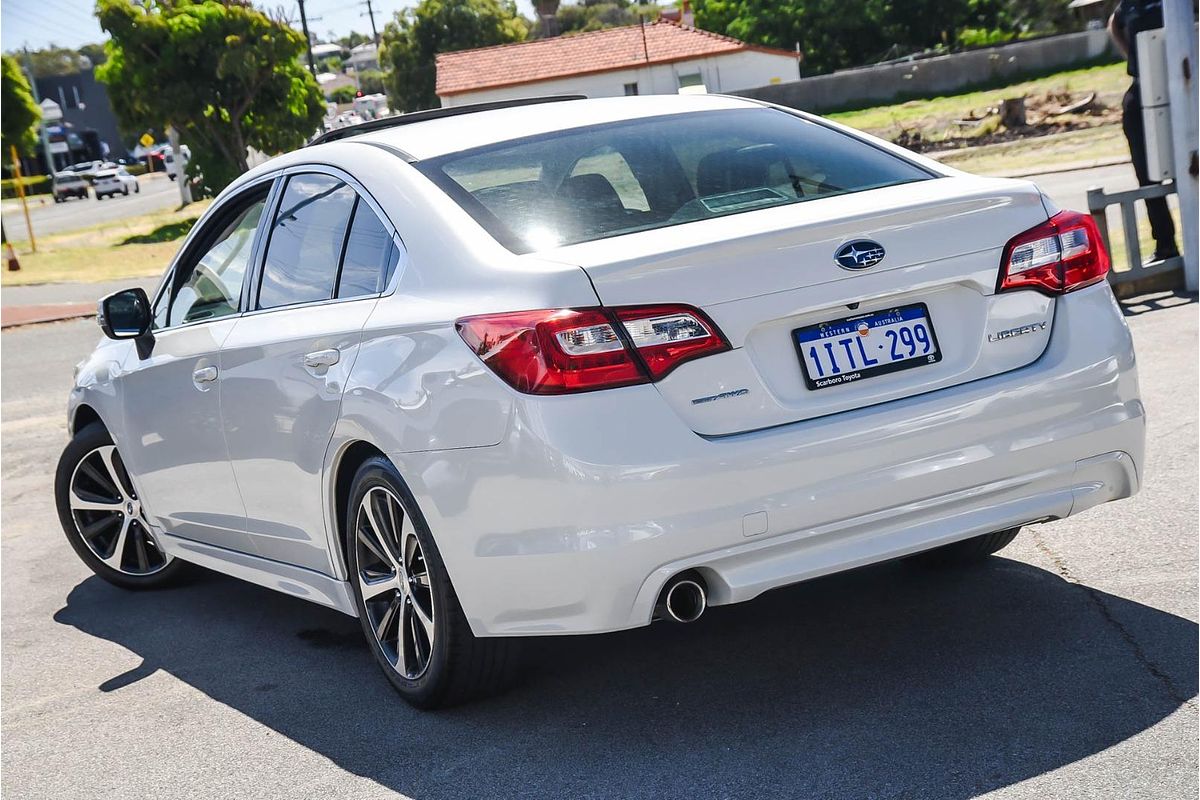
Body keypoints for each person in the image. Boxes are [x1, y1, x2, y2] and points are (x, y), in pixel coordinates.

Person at [1109, 0, 1180, 263]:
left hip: (1185, 83)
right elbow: (1114, 23)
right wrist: (1133, 58)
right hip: (1144, 89)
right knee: (1148, 173)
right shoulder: (1129, 5)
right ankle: (1165, 245)